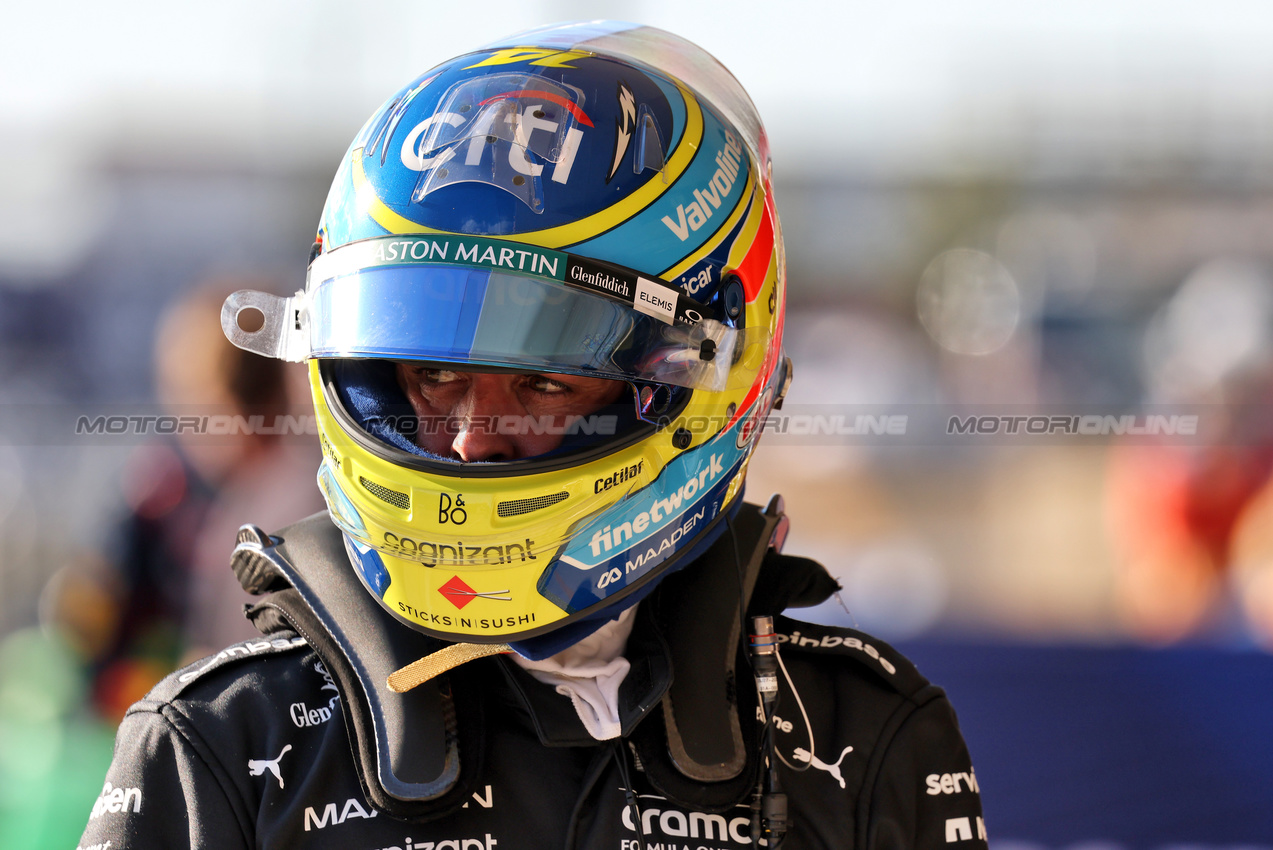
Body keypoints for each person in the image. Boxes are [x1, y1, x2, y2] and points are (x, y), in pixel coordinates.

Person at [78, 22, 986, 848]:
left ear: (710, 376)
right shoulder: (220, 743)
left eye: (546, 381)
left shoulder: (863, 739)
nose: (472, 440)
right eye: (433, 375)